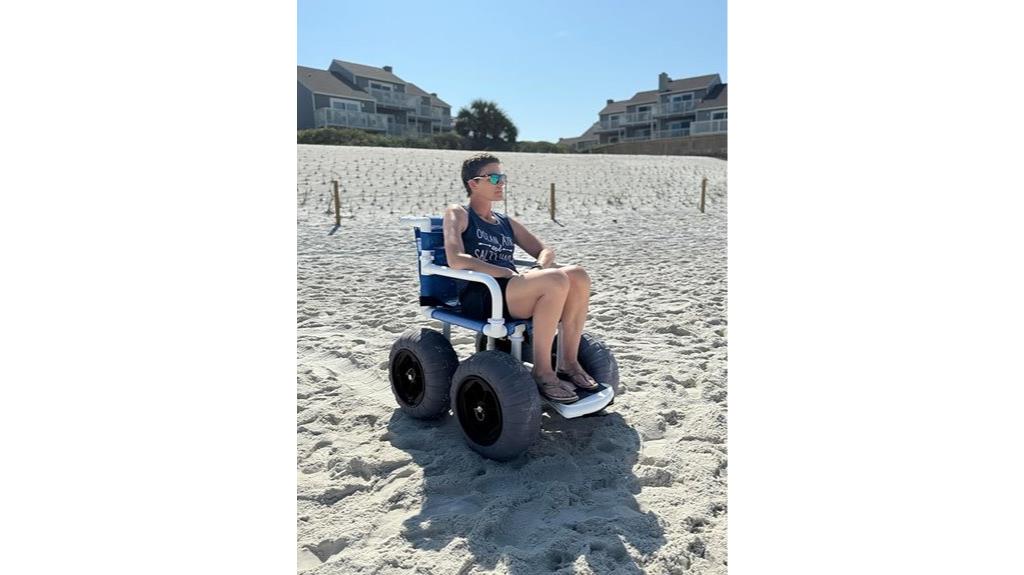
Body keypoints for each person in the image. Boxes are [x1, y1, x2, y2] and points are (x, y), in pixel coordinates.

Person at [443, 152, 599, 403]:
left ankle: (568, 363)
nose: (501, 182)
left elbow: (545, 250)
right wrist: (502, 271)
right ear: (474, 183)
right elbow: (455, 259)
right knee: (557, 280)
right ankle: (543, 372)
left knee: (578, 275)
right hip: (483, 293)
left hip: (513, 289)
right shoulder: (458, 213)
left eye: (502, 177)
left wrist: (538, 267)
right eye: (494, 177)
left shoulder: (504, 221)